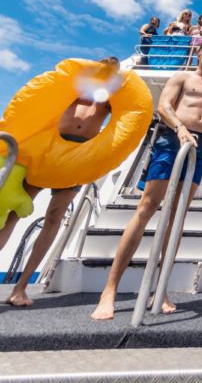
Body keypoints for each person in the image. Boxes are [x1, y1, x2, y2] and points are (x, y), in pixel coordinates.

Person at [90, 41, 202, 320]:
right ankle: (109, 290)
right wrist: (181, 128)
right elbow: (163, 106)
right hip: (172, 139)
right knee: (147, 208)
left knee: (176, 217)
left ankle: (159, 289)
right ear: (198, 55)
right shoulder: (183, 77)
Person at [2, 58, 120, 307]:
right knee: (15, 213)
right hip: (49, 151)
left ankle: (21, 288)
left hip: (77, 157)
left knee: (54, 217)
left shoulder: (110, 100)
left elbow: (130, 113)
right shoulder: (75, 90)